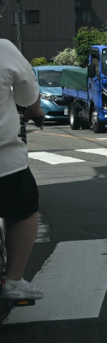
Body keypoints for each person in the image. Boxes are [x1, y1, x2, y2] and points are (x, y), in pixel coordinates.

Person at [0, 38, 45, 300]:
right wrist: (36, 111)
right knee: (24, 209)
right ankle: (14, 280)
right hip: (4, 161)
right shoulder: (3, 48)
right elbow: (28, 94)